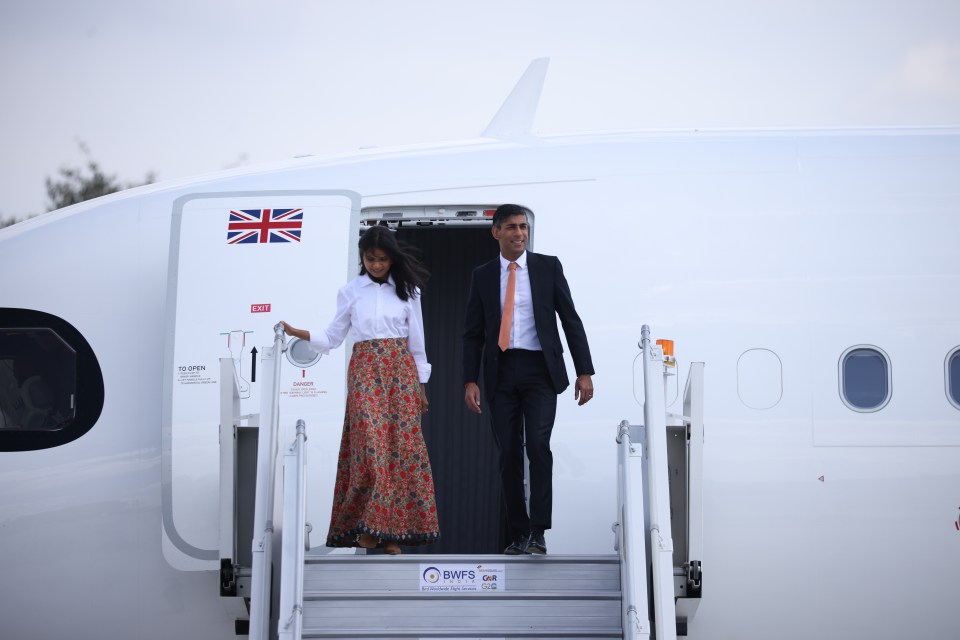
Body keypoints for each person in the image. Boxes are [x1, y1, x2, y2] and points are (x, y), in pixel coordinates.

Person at [281, 225, 439, 555]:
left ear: (392, 259)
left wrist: (421, 385)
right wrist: (299, 332)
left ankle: (390, 533)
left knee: (400, 451)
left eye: (382, 259)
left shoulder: (409, 292)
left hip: (401, 371)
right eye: (370, 259)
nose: (377, 265)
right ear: (362, 258)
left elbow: (418, 344)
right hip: (365, 369)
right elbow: (334, 336)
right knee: (371, 448)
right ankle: (369, 527)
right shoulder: (351, 291)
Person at [462, 203, 595, 555]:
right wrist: (469, 380)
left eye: (523, 227)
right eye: (511, 227)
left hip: (540, 371)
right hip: (501, 371)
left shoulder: (547, 267)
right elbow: (472, 333)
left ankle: (538, 531)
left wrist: (585, 371)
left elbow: (571, 320)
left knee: (538, 447)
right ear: (496, 232)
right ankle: (519, 532)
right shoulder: (483, 275)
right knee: (508, 453)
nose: (519, 233)